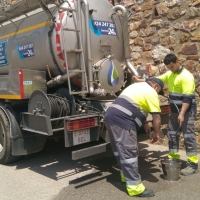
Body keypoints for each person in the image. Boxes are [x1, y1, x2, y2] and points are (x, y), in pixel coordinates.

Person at [133, 53, 199, 176]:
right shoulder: (170, 74)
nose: (170, 69)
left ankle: (193, 164)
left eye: (172, 66)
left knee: (188, 136)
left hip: (187, 111)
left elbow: (187, 99)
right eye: (168, 67)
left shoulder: (186, 77)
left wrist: (182, 114)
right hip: (174, 111)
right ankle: (173, 158)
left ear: (178, 61)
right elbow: (155, 80)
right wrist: (139, 80)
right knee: (172, 134)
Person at [104, 78, 164, 197]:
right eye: (159, 91)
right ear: (156, 86)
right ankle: (135, 188)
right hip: (123, 119)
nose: (157, 93)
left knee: (119, 150)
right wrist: (156, 133)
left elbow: (137, 106)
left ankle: (125, 175)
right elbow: (156, 117)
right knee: (129, 152)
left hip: (111, 116)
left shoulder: (136, 86)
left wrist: (145, 124)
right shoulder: (151, 92)